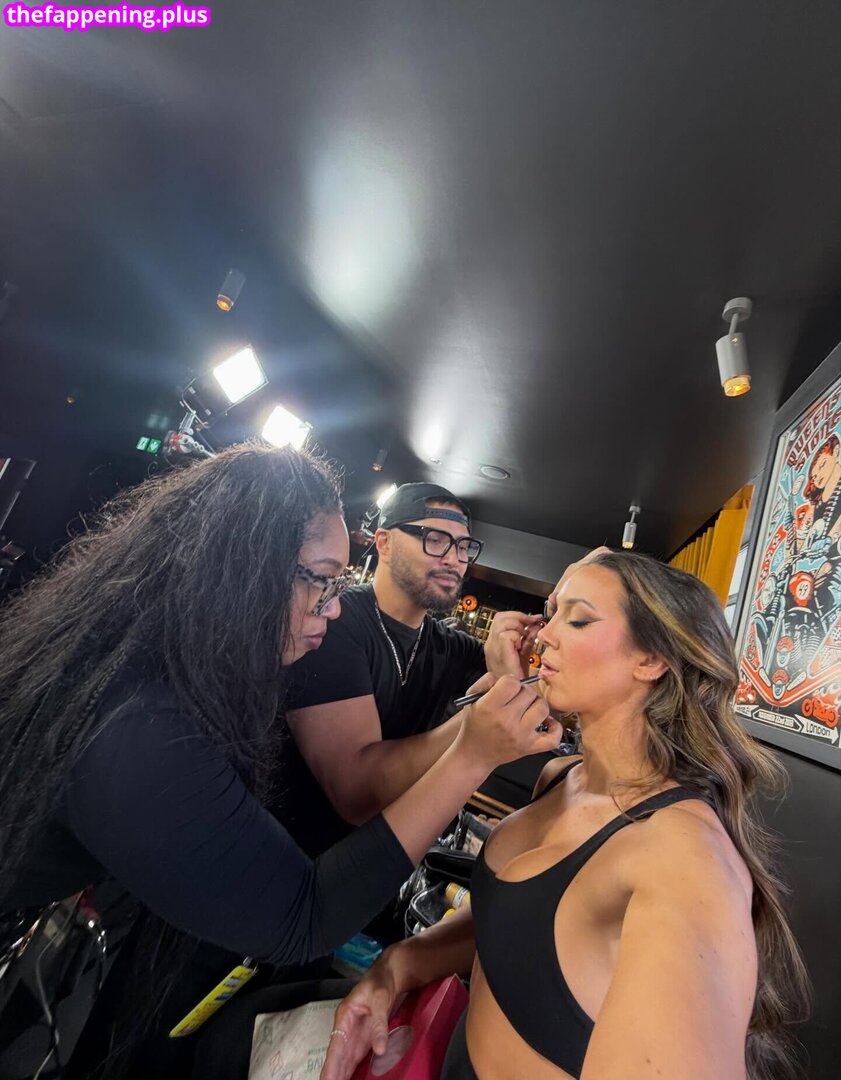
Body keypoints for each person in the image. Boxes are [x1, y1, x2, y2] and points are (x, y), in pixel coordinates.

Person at [0, 444, 560, 1075]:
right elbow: (306, 909)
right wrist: (471, 752)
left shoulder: (167, 669)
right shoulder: (140, 727)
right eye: (321, 579)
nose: (333, 605)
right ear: (243, 568)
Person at [322, 550, 810, 1080]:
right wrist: (397, 966)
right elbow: (512, 919)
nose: (545, 635)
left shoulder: (685, 861)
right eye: (552, 614)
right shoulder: (561, 776)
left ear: (651, 660)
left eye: (577, 620)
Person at [282, 482, 544, 856]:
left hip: (382, 865)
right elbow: (355, 794)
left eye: (463, 546)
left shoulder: (449, 645)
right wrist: (475, 726)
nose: (454, 559)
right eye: (435, 540)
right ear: (385, 543)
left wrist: (518, 665)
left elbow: (541, 697)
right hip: (293, 860)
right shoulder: (333, 624)